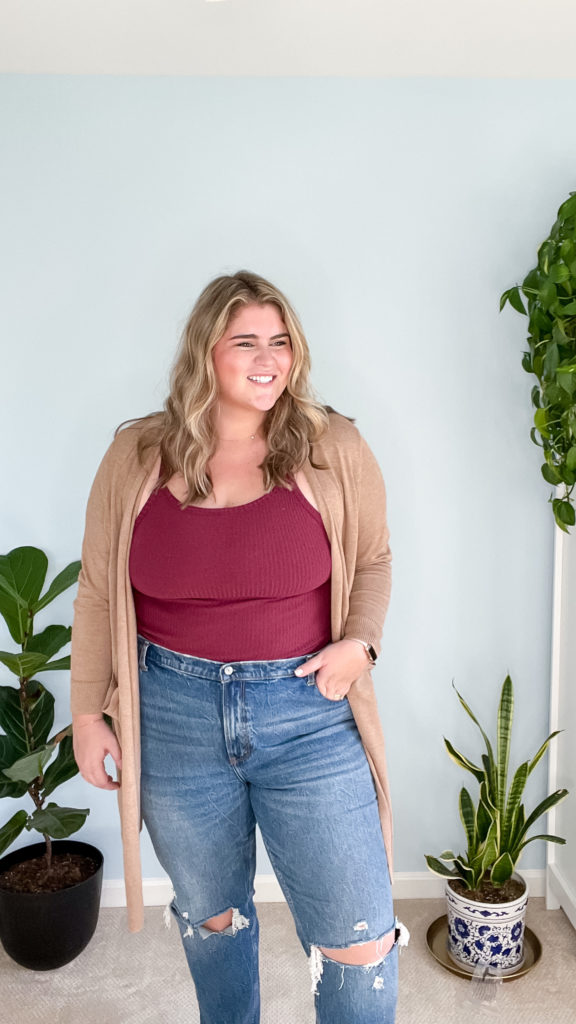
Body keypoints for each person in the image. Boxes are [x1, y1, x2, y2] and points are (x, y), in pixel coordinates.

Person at [71, 270, 408, 1024]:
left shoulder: (332, 448)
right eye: (247, 341)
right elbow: (97, 591)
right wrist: (89, 712)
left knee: (361, 941)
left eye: (281, 341)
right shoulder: (135, 457)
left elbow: (376, 559)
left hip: (309, 715)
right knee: (213, 920)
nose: (269, 358)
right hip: (173, 716)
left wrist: (361, 645)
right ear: (205, 352)